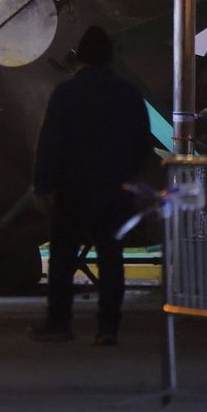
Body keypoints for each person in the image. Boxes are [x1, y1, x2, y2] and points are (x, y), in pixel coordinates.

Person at [29, 25, 152, 345]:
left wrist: (43, 186)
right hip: (114, 190)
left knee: (63, 258)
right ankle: (108, 327)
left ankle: (60, 322)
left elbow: (50, 143)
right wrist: (126, 176)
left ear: (79, 59)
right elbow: (142, 145)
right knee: (112, 259)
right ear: (110, 58)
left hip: (73, 190)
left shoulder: (65, 94)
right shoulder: (129, 94)